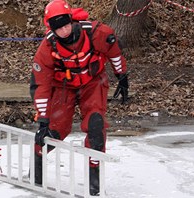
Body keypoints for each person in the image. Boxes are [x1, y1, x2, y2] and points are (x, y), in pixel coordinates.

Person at [30, 0, 129, 195]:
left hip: (93, 83)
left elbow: (114, 52)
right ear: (51, 28)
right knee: (54, 131)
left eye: (67, 25)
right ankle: (36, 168)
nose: (65, 31)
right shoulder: (47, 48)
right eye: (59, 29)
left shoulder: (96, 33)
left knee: (95, 125)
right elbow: (41, 84)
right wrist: (42, 119)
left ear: (72, 20)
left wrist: (122, 76)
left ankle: (94, 181)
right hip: (63, 87)